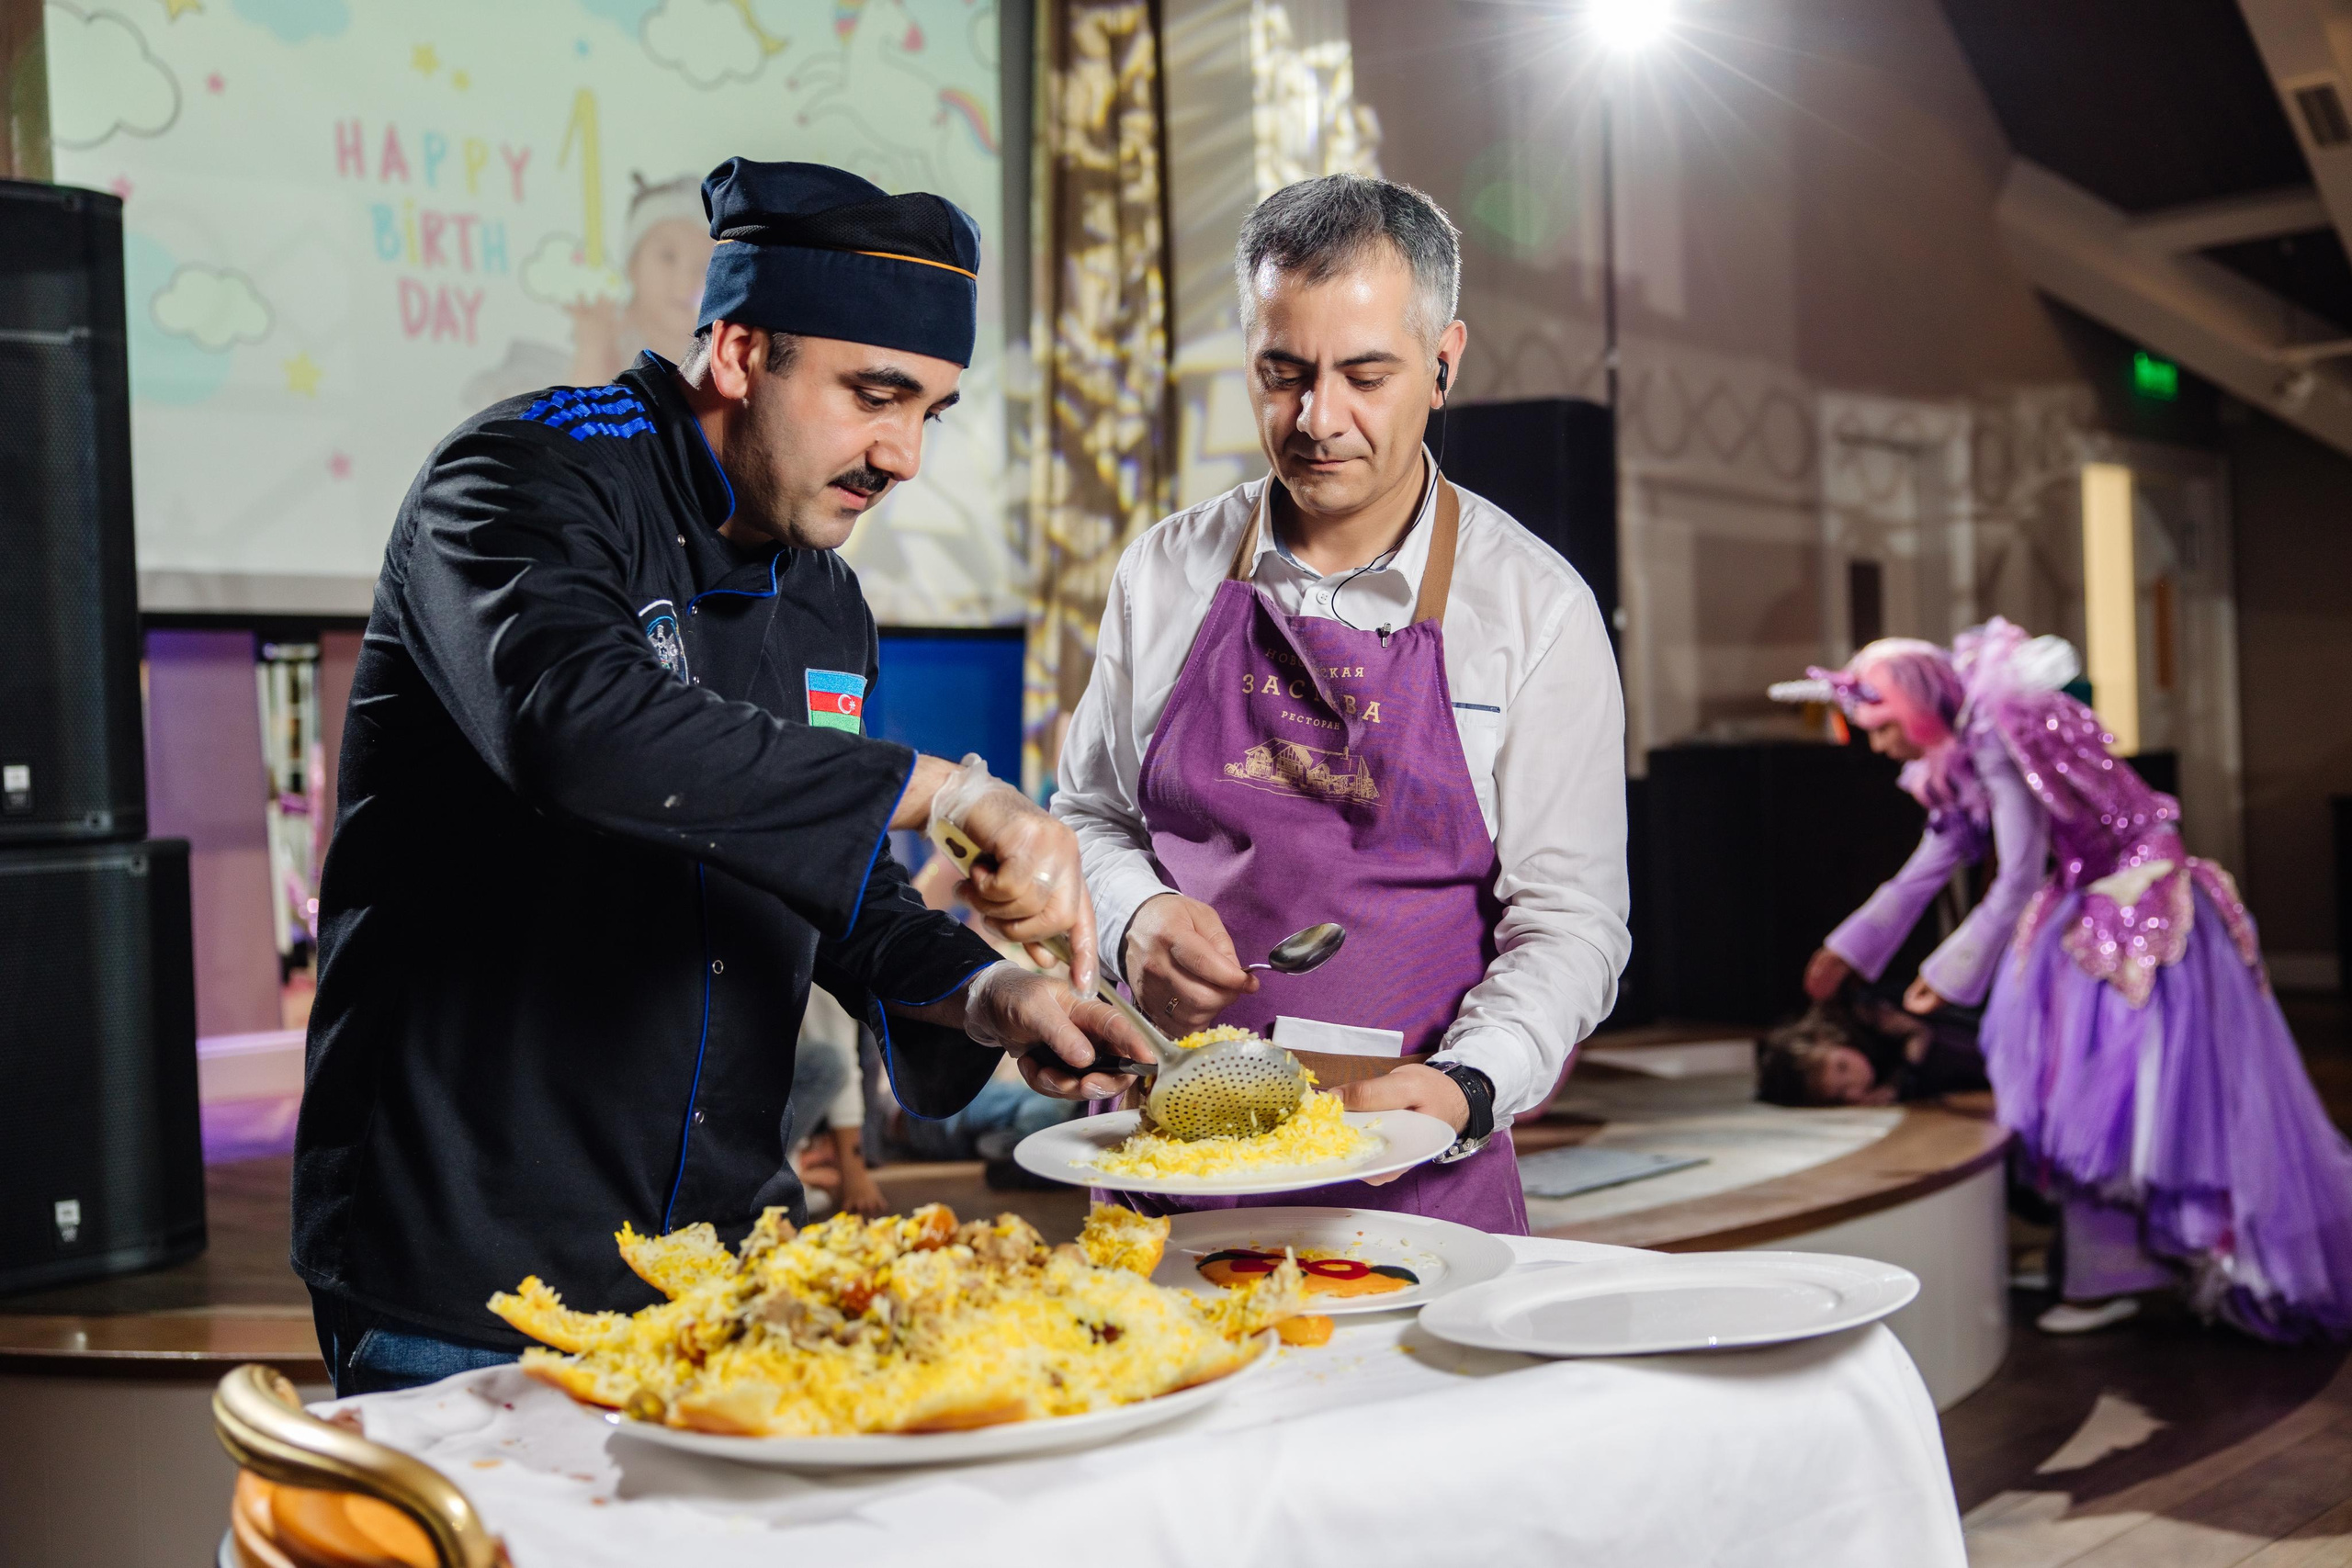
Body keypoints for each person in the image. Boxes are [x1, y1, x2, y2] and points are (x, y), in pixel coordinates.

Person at [296, 158, 1139, 1397]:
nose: (902, 453)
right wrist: (949, 790)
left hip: (720, 1265)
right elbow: (579, 726)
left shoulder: (827, 597)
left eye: (930, 412)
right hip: (467, 1269)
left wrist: (987, 989)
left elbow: (819, 864)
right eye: (874, 394)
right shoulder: (520, 480)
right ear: (741, 350)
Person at [1048, 175, 1632, 1233]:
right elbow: (1088, 814)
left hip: (1411, 1180)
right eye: (1283, 374)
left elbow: (1572, 924)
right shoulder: (1163, 572)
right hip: (1168, 1167)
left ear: (1444, 363)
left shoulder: (1533, 608)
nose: (1319, 420)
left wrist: (1470, 1086)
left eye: (1366, 375)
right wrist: (1134, 914)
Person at [1781, 619, 2352, 1339]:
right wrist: (1850, 948)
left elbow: (2018, 873)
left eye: (1884, 722)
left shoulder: (1998, 732)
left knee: (2107, 1097)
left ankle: (2140, 1269)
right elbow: (1935, 859)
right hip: (2089, 904)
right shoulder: (1968, 744)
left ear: (1922, 701)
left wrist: (1947, 974)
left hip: (2133, 906)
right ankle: (2103, 1268)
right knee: (2086, 1098)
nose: (1878, 742)